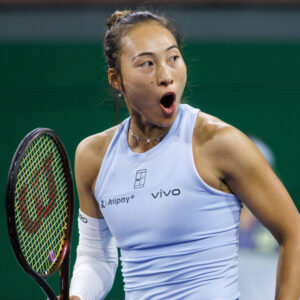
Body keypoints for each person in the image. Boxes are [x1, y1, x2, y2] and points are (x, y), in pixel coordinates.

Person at [67, 9, 300, 300]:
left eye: (173, 58)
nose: (166, 75)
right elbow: (95, 257)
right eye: (147, 63)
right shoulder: (92, 157)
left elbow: (294, 233)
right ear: (116, 79)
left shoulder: (220, 143)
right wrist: (78, 296)